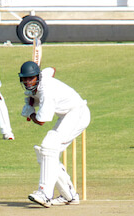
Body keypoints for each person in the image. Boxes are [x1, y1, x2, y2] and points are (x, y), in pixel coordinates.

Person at [18, 61, 90, 207]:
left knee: (49, 145)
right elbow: (52, 69)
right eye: (25, 79)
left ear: (37, 77)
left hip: (78, 114)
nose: (27, 82)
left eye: (30, 78)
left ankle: (44, 194)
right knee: (46, 152)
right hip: (67, 115)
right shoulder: (43, 76)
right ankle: (68, 195)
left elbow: (41, 121)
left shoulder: (46, 93)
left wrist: (31, 112)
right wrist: (32, 99)